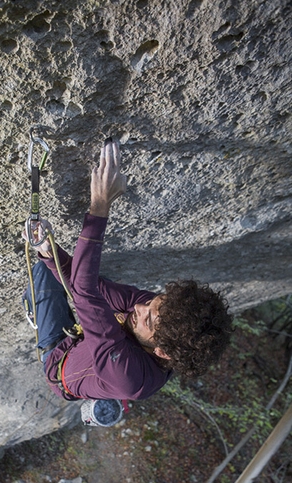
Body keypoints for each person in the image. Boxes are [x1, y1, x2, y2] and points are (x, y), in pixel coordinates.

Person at [23, 139, 233, 402]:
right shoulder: (157, 314)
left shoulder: (129, 378)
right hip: (84, 339)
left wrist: (100, 204)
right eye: (154, 302)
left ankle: (39, 306)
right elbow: (89, 288)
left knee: (41, 274)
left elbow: (84, 291)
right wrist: (47, 250)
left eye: (147, 320)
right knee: (57, 265)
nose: (139, 308)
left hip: (57, 361)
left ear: (163, 352)